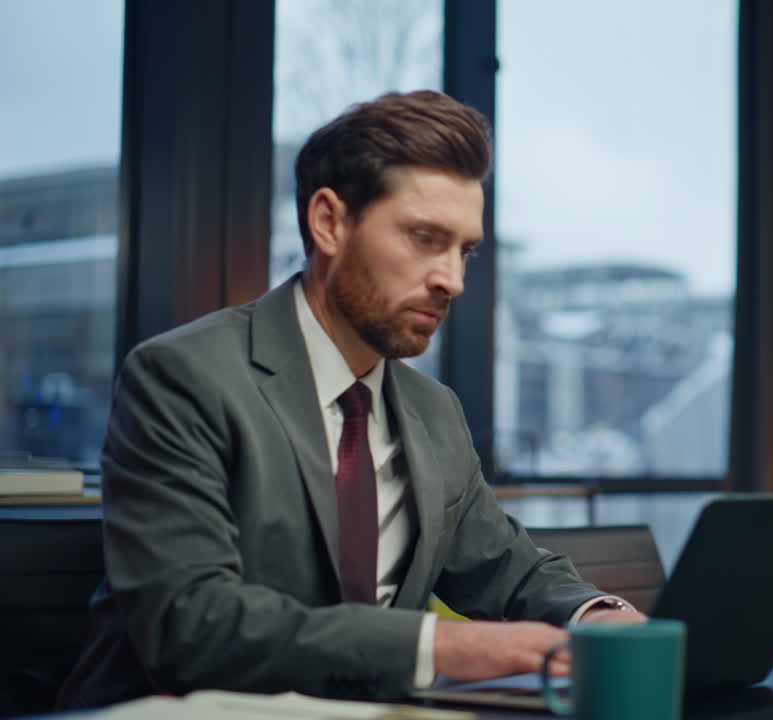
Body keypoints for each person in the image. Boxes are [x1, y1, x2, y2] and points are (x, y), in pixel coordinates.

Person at [58, 90, 639, 709]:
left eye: (465, 250)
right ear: (329, 222)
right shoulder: (182, 377)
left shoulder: (432, 411)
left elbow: (506, 567)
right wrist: (440, 648)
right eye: (424, 238)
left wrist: (596, 613)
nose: (453, 279)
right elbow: (191, 623)